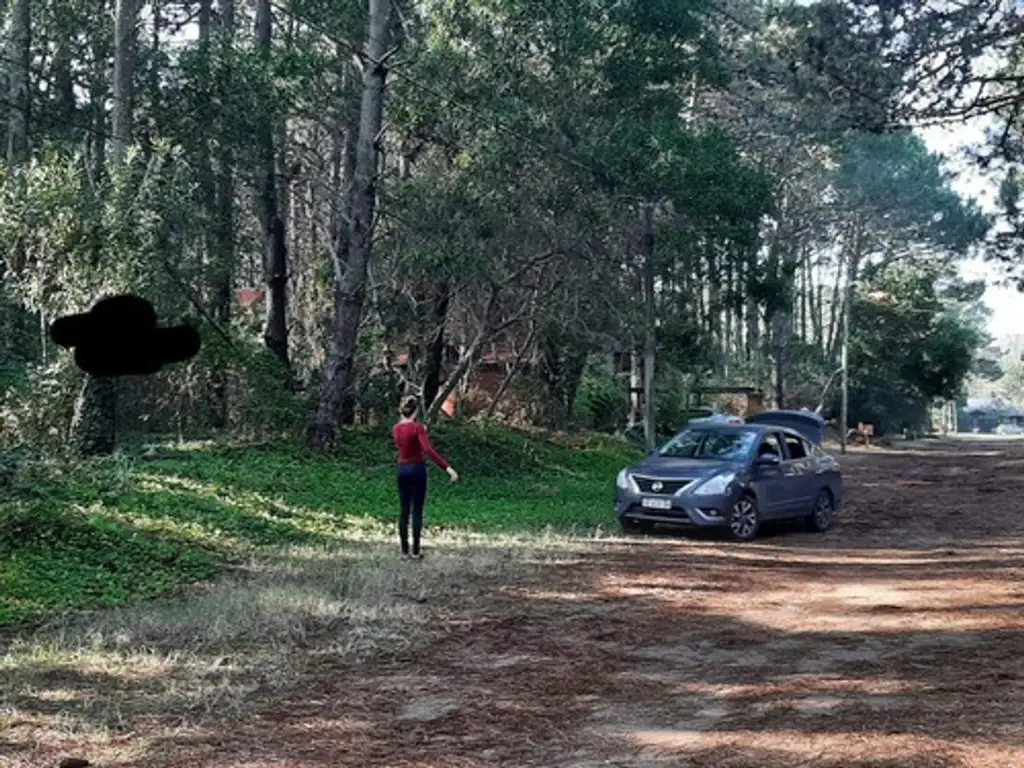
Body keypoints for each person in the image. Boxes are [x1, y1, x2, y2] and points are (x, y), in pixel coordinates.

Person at [392, 394, 458, 560]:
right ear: (416, 411)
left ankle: (404, 551)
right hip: (417, 469)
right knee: (417, 511)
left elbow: (404, 446)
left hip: (402, 469)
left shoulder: (396, 429)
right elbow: (428, 450)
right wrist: (447, 468)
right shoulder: (418, 428)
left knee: (404, 510)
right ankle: (416, 550)